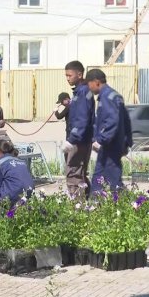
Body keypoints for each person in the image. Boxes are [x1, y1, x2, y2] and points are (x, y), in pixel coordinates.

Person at [85, 69, 133, 194]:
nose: (88, 88)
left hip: (110, 145)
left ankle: (104, 205)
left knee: (109, 179)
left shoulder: (107, 97)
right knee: (102, 177)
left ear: (96, 82)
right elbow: (126, 120)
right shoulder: (114, 96)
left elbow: (112, 121)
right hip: (114, 144)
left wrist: (101, 140)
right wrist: (127, 142)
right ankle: (98, 204)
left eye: (89, 84)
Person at [62, 61, 96, 199]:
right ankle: (90, 201)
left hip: (78, 141)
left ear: (80, 74)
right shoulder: (82, 91)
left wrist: (71, 140)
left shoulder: (82, 92)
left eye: (69, 75)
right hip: (83, 139)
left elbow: (82, 119)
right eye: (66, 75)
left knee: (73, 174)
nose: (67, 78)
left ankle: (78, 207)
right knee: (80, 173)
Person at [54, 92, 71, 161]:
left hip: (70, 131)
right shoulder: (75, 104)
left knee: (68, 151)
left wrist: (56, 111)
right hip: (74, 130)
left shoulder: (68, 107)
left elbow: (59, 116)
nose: (61, 104)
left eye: (62, 102)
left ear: (66, 99)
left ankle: (68, 164)